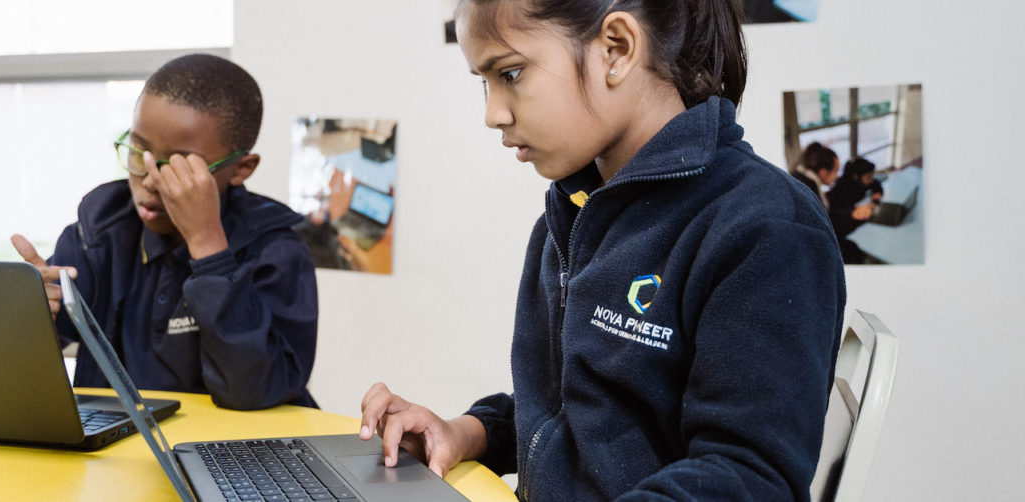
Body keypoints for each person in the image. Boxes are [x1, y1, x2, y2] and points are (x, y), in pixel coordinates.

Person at [359, 0, 846, 499]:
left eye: (510, 74)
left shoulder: (767, 228)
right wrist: (466, 432)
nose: (492, 114)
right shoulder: (573, 216)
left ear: (617, 48)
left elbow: (748, 478)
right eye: (485, 82)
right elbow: (577, 411)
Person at [11, 54, 318, 410]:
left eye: (177, 166)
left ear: (241, 168)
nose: (149, 180)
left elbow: (254, 390)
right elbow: (35, 352)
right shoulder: (99, 231)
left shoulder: (277, 250)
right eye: (137, 151)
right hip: (128, 439)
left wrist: (208, 247)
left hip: (236, 442)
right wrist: (28, 314)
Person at [827, 157, 884, 264]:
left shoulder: (862, 181)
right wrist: (854, 211)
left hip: (850, 217)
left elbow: (876, 184)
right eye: (869, 176)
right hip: (838, 225)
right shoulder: (842, 189)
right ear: (856, 176)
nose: (871, 179)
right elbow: (837, 213)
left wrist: (875, 199)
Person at [792, 141, 839, 208]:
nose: (836, 177)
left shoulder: (801, 178)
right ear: (823, 172)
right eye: (835, 171)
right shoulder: (807, 189)